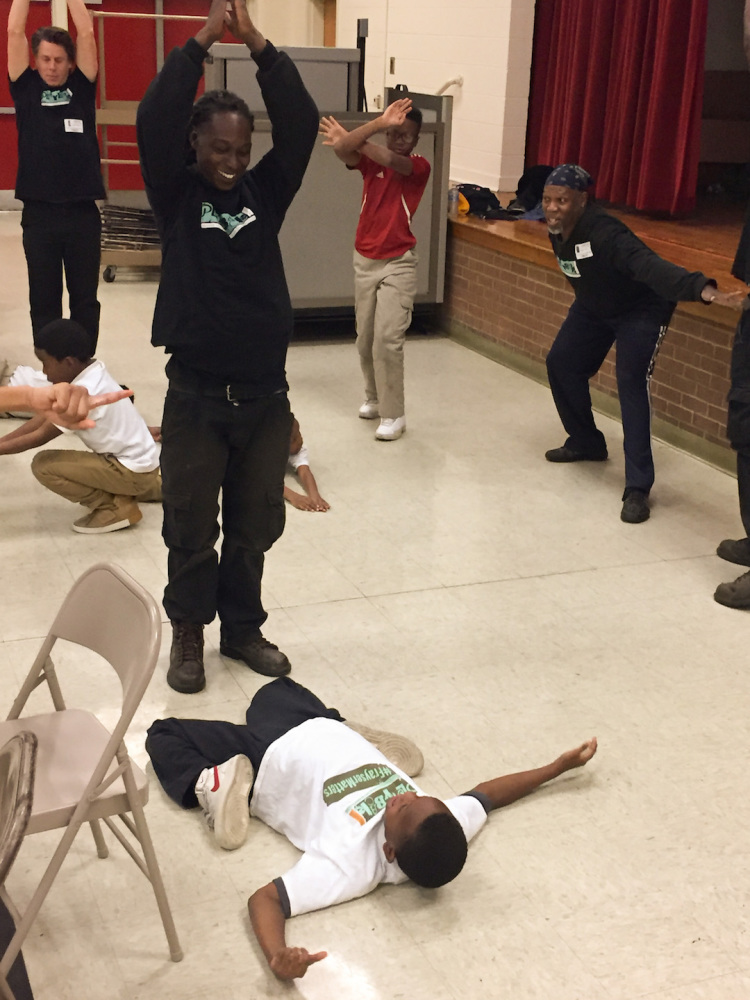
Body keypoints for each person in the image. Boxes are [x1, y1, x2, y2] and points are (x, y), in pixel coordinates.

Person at [145, 676, 597, 981]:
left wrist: (277, 957)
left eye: (401, 810)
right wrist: (556, 767)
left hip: (269, 760)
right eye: (418, 796)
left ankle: (213, 784)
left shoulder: (353, 866)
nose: (406, 797)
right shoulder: (441, 825)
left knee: (163, 733)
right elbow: (488, 794)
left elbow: (265, 900)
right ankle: (349, 731)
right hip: (317, 728)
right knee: (276, 689)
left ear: (391, 853)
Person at [136, 0, 318, 695]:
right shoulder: (175, 194)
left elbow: (299, 125)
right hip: (197, 396)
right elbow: (154, 114)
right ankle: (190, 630)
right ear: (195, 145)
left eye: (242, 150)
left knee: (254, 523)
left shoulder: (264, 193)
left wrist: (262, 46)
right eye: (220, 148)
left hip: (264, 398)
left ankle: (242, 629)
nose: (233, 161)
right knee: (189, 523)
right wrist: (205, 36)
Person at [542, 164, 740, 524]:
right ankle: (586, 441)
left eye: (562, 200)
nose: (553, 208)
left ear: (583, 201)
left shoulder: (607, 234)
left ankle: (637, 487)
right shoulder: (557, 231)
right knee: (561, 363)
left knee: (631, 383)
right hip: (595, 307)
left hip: (640, 309)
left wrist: (703, 290)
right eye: (548, 200)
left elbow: (651, 266)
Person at [319, 99, 431, 442]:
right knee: (364, 339)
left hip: (398, 263)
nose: (399, 140)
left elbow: (382, 157)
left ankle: (394, 414)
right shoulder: (370, 163)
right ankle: (373, 396)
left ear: (415, 140)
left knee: (387, 339)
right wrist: (378, 123)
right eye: (393, 133)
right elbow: (343, 151)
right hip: (364, 260)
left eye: (406, 136)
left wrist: (353, 137)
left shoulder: (417, 166)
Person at [7, 0, 105, 352]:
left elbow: (88, 31)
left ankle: (83, 368)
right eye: (46, 59)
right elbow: (14, 31)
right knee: (44, 299)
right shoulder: (26, 87)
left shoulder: (82, 86)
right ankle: (51, 372)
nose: (52, 67)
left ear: (71, 62)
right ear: (36, 60)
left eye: (59, 60)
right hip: (40, 216)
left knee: (84, 300)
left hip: (81, 215)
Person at [0, 319, 161, 533]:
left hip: (130, 470)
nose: (44, 372)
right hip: (146, 465)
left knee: (44, 465)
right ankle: (146, 487)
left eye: (45, 363)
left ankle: (113, 507)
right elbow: (40, 419)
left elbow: (38, 436)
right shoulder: (95, 370)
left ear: (68, 362)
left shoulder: (84, 394)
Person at [284, 416, 329, 512]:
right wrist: (294, 497)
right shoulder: (265, 452)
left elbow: (304, 472)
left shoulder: (298, 447)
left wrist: (315, 496)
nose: (300, 440)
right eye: (294, 440)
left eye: (299, 434)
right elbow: (264, 479)